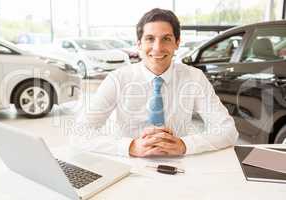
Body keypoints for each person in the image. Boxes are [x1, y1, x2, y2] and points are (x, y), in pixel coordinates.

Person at [70, 8, 238, 157]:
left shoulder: (194, 78)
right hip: (130, 164)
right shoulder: (118, 79)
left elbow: (228, 131)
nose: (157, 48)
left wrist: (185, 145)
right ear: (139, 44)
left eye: (166, 39)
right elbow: (78, 133)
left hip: (178, 164)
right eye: (150, 39)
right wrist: (130, 146)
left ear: (177, 43)